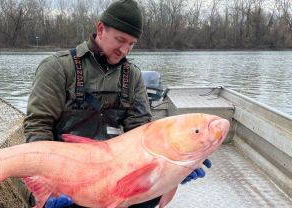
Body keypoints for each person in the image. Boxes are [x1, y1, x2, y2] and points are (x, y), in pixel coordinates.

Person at [23, 0, 211, 207]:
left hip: (114, 172)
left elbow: (142, 133)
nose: (125, 50)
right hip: (63, 172)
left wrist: (174, 168)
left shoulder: (133, 76)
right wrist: (45, 182)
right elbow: (38, 127)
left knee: (151, 195)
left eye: (131, 44)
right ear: (101, 29)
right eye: (120, 40)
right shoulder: (57, 67)